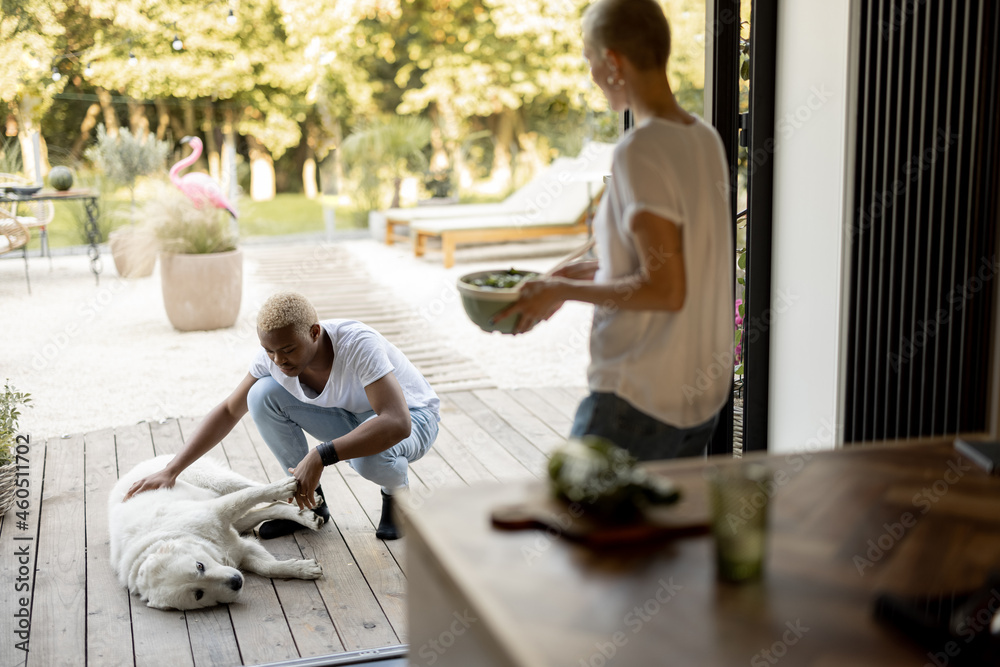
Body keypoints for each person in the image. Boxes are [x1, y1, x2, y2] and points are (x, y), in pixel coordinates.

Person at [496, 0, 733, 461]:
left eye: (589, 60)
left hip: (638, 398)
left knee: (580, 529)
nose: (591, 74)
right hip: (698, 401)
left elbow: (665, 289)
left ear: (613, 62)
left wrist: (560, 289)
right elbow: (674, 259)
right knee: (650, 533)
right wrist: (588, 273)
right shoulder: (703, 138)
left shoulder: (640, 150)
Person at [124, 291, 440, 540]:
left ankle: (396, 496)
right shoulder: (275, 357)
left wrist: (321, 454)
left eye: (288, 349)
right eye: (269, 350)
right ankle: (308, 503)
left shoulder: (357, 344)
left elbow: (396, 423)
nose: (279, 361)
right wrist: (171, 470)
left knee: (367, 459)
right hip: (352, 416)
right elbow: (228, 410)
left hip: (413, 418)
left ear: (315, 332)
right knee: (259, 393)